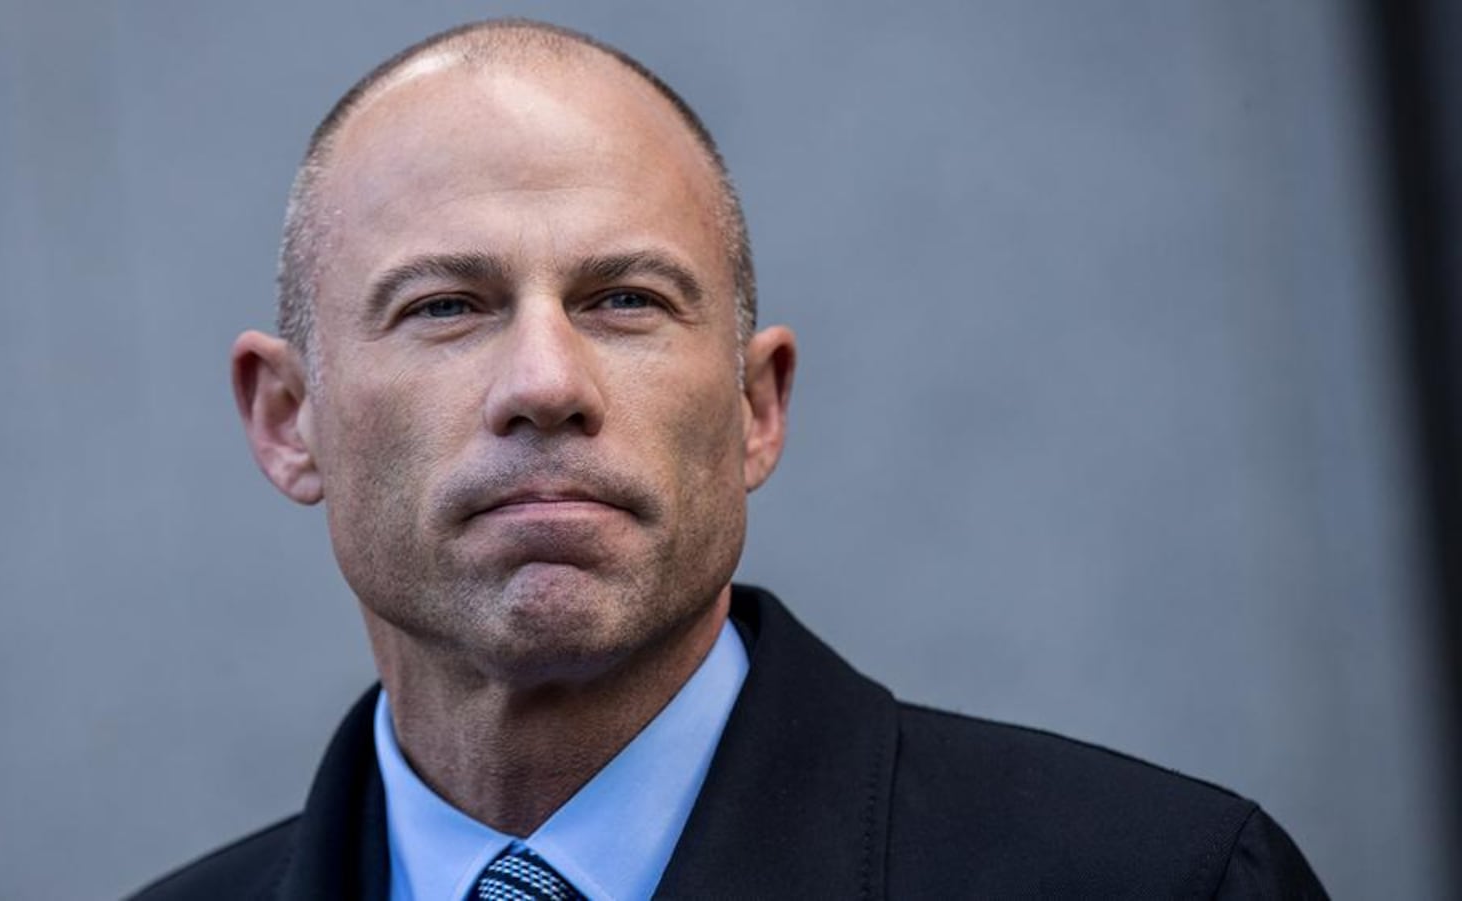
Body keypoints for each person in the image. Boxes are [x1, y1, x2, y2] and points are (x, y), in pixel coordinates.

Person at [133, 18, 1326, 900]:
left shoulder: (1163, 884)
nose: (545, 382)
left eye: (624, 300)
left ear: (756, 406)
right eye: (447, 306)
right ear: (288, 418)